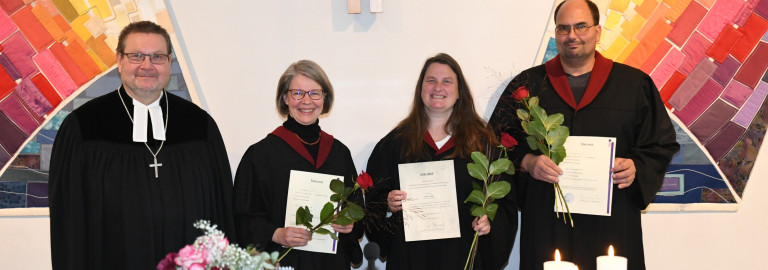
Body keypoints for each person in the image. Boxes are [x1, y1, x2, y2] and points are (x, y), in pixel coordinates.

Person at [489, 1, 680, 269]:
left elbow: (660, 143)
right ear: (556, 34)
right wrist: (527, 162)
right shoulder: (528, 86)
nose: (572, 35)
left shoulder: (634, 85)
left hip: (612, 222)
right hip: (547, 222)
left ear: (598, 31)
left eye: (581, 26)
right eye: (564, 28)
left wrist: (637, 166)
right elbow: (494, 141)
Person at [48, 21, 236, 269]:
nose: (147, 66)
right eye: (136, 56)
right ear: (119, 60)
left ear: (169, 62)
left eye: (157, 57)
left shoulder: (199, 127)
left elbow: (222, 209)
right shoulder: (84, 127)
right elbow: (69, 218)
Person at [366, 53, 517, 269]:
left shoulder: (483, 144)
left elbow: (504, 203)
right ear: (421, 90)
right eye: (431, 81)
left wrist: (488, 222)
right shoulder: (395, 143)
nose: (438, 87)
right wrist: (388, 204)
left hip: (462, 258)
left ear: (459, 92)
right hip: (410, 259)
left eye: (447, 81)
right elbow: (372, 202)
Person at [233, 60, 363, 269]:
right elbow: (242, 217)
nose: (306, 101)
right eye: (298, 93)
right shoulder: (260, 155)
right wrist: (276, 234)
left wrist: (349, 222)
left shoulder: (339, 153)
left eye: (314, 93)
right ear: (285, 97)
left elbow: (356, 206)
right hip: (284, 262)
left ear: (324, 98)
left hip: (331, 263)